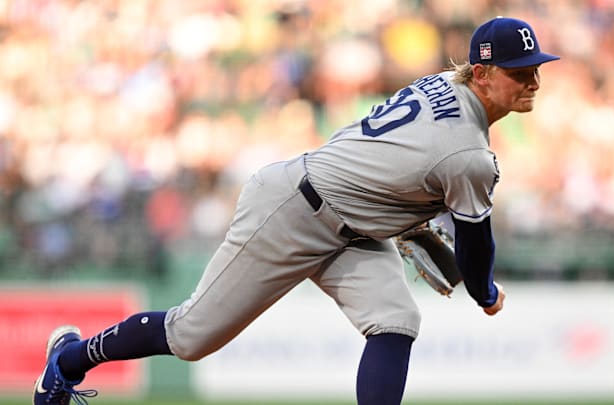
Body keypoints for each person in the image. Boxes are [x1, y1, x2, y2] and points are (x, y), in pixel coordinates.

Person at [33, 16, 558, 405]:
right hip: (293, 210)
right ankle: (69, 360)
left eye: (534, 69)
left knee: (396, 320)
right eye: (519, 72)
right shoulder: (468, 154)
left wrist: (408, 218)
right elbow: (475, 246)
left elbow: (397, 164)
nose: (532, 81)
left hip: (351, 224)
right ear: (484, 73)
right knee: (190, 337)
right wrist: (484, 292)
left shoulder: (444, 84)